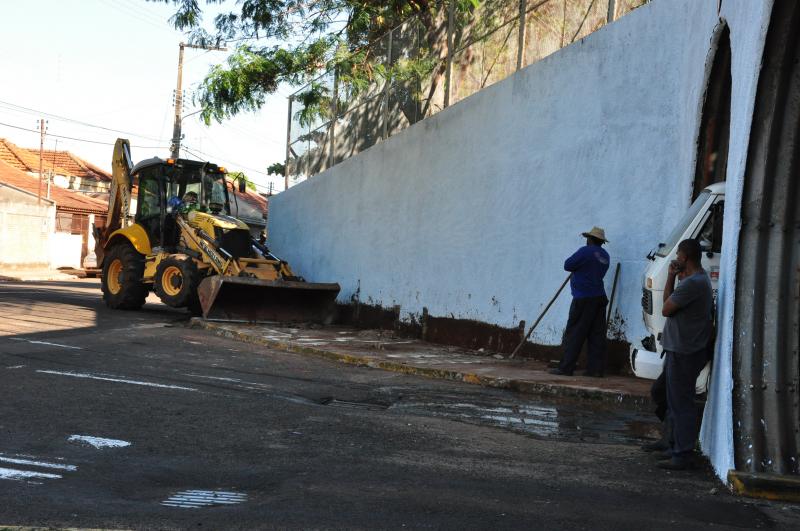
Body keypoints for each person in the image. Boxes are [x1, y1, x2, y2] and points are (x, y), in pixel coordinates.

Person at [657, 238, 713, 471]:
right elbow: (667, 301)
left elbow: (666, 309)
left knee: (681, 403)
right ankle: (671, 444)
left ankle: (682, 453)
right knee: (667, 396)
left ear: (685, 258)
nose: (676, 259)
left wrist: (674, 277)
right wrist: (671, 275)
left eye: (678, 255)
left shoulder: (694, 283)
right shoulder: (694, 280)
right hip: (679, 348)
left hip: (684, 350)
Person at [550, 226, 610, 377]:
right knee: (596, 334)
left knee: (575, 333)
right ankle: (595, 370)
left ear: (590, 239)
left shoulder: (585, 251)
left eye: (587, 238)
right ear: (602, 242)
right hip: (599, 297)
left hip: (583, 298)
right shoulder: (605, 255)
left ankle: (566, 367)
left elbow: (567, 265)